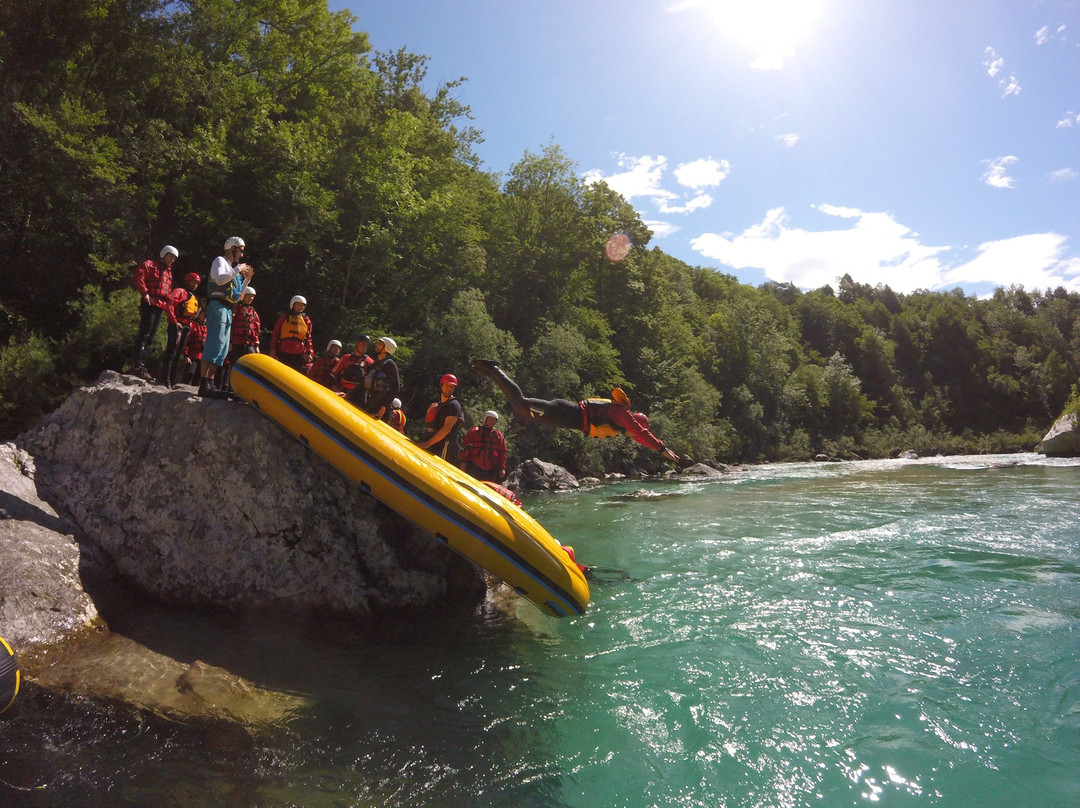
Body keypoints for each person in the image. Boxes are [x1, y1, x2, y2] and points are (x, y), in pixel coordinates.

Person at [472, 359, 679, 462]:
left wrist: (658, 449)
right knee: (520, 404)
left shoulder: (622, 425)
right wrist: (662, 449)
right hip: (564, 412)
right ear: (635, 423)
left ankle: (490, 372)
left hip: (563, 419)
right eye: (636, 431)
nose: (634, 437)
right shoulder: (622, 414)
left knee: (521, 408)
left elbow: (640, 437)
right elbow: (642, 434)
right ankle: (494, 369)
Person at [199, 236, 253, 399]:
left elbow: (238, 297)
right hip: (217, 306)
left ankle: (210, 382)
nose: (241, 255)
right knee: (214, 342)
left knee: (222, 347)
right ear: (232, 248)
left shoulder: (233, 270)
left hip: (228, 308)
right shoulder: (219, 261)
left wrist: (247, 280)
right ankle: (204, 383)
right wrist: (238, 269)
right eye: (240, 251)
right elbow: (221, 279)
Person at [131, 245, 178, 380]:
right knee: (145, 334)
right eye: (170, 257)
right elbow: (139, 276)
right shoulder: (150, 265)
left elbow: (166, 292)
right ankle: (138, 366)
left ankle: (142, 365)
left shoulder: (168, 272)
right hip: (149, 304)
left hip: (159, 306)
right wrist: (145, 293)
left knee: (150, 337)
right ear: (164, 254)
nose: (172, 260)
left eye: (174, 258)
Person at [161, 271, 201, 388]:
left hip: (187, 327)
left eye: (197, 283)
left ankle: (172, 380)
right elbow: (169, 304)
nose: (195, 285)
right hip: (178, 325)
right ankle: (166, 380)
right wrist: (174, 321)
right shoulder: (180, 291)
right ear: (188, 281)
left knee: (178, 354)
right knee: (172, 352)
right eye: (193, 282)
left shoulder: (194, 298)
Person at [220, 286, 261, 392]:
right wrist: (229, 342)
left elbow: (256, 330)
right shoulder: (236, 309)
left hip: (249, 343)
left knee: (249, 367)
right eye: (249, 296)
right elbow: (230, 325)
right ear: (244, 296)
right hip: (237, 342)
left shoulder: (253, 312)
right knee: (233, 365)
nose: (251, 298)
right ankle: (229, 388)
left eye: (252, 297)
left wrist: (256, 345)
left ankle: (243, 390)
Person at [417, 373, 464, 461]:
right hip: (435, 443)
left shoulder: (454, 405)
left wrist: (427, 443)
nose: (449, 388)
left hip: (446, 445)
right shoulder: (438, 405)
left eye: (452, 386)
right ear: (441, 386)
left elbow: (447, 429)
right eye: (446, 385)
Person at [350, 336, 399, 419]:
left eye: (380, 344)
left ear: (386, 348)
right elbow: (363, 384)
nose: (377, 345)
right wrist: (349, 395)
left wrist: (383, 409)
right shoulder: (374, 364)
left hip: (382, 410)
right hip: (370, 404)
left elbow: (395, 389)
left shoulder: (390, 365)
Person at [459, 410, 508, 483]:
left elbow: (502, 452)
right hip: (473, 466)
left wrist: (502, 468)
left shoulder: (499, 436)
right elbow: (466, 447)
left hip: (490, 470)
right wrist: (463, 462)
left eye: (494, 420)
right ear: (485, 419)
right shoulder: (474, 432)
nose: (492, 422)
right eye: (490, 420)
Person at [270, 295, 313, 371]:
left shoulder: (306, 320)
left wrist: (309, 352)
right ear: (293, 304)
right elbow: (275, 334)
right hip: (283, 350)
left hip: (298, 352)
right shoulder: (284, 318)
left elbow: (308, 339)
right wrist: (273, 349)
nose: (301, 307)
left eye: (302, 305)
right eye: (298, 304)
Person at [183, 306, 208, 386]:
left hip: (203, 358)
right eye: (203, 314)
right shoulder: (193, 326)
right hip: (193, 356)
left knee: (198, 379)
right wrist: (186, 355)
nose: (205, 317)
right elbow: (187, 342)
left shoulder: (207, 328)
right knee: (189, 375)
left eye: (206, 315)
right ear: (199, 314)